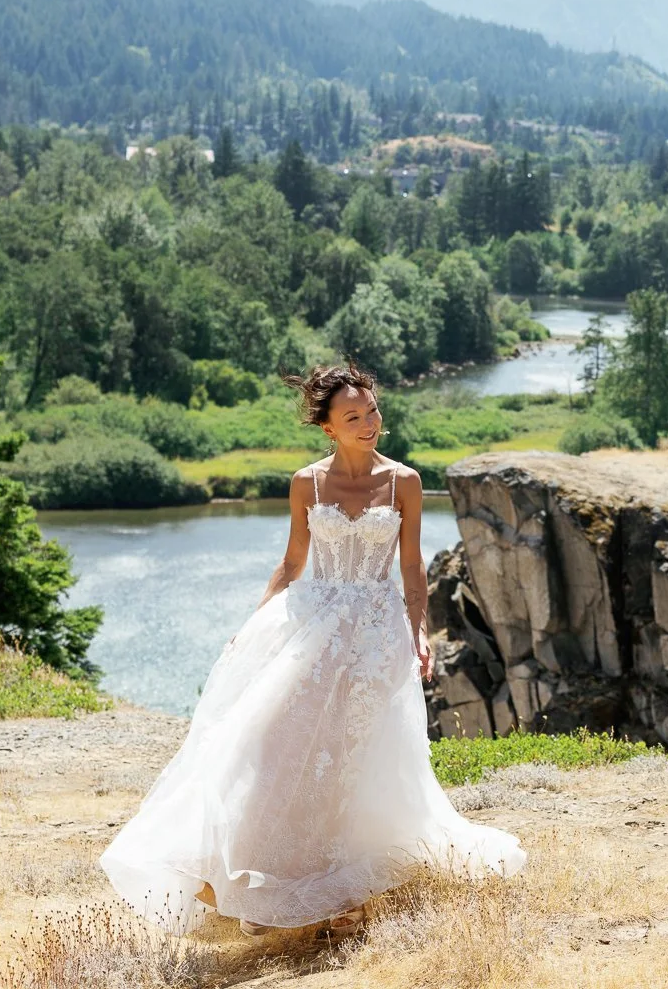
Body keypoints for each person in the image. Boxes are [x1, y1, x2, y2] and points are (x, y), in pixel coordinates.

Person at [101, 363, 525, 934]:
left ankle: (340, 887)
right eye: (354, 416)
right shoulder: (308, 483)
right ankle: (258, 875)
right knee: (276, 741)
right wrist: (252, 625)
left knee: (354, 756)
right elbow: (293, 561)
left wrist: (417, 628)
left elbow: (411, 566)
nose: (370, 422)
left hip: (375, 634)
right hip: (310, 626)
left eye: (372, 410)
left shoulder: (405, 482)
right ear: (329, 427)